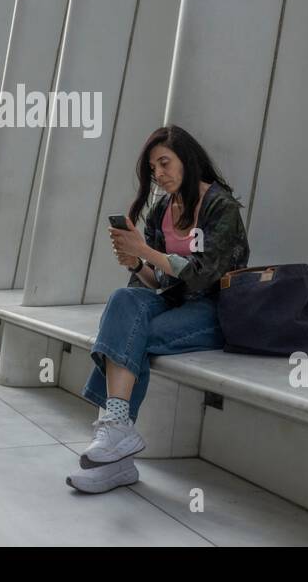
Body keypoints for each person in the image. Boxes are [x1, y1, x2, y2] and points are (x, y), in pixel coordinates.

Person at [67, 125, 249, 495]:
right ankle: (117, 441)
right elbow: (154, 284)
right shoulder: (164, 209)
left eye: (164, 163)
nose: (159, 174)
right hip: (173, 303)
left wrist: (146, 252)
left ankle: (115, 446)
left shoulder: (221, 206)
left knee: (133, 338)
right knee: (123, 301)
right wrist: (136, 264)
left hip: (214, 310)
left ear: (188, 159)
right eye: (153, 169)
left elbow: (201, 278)